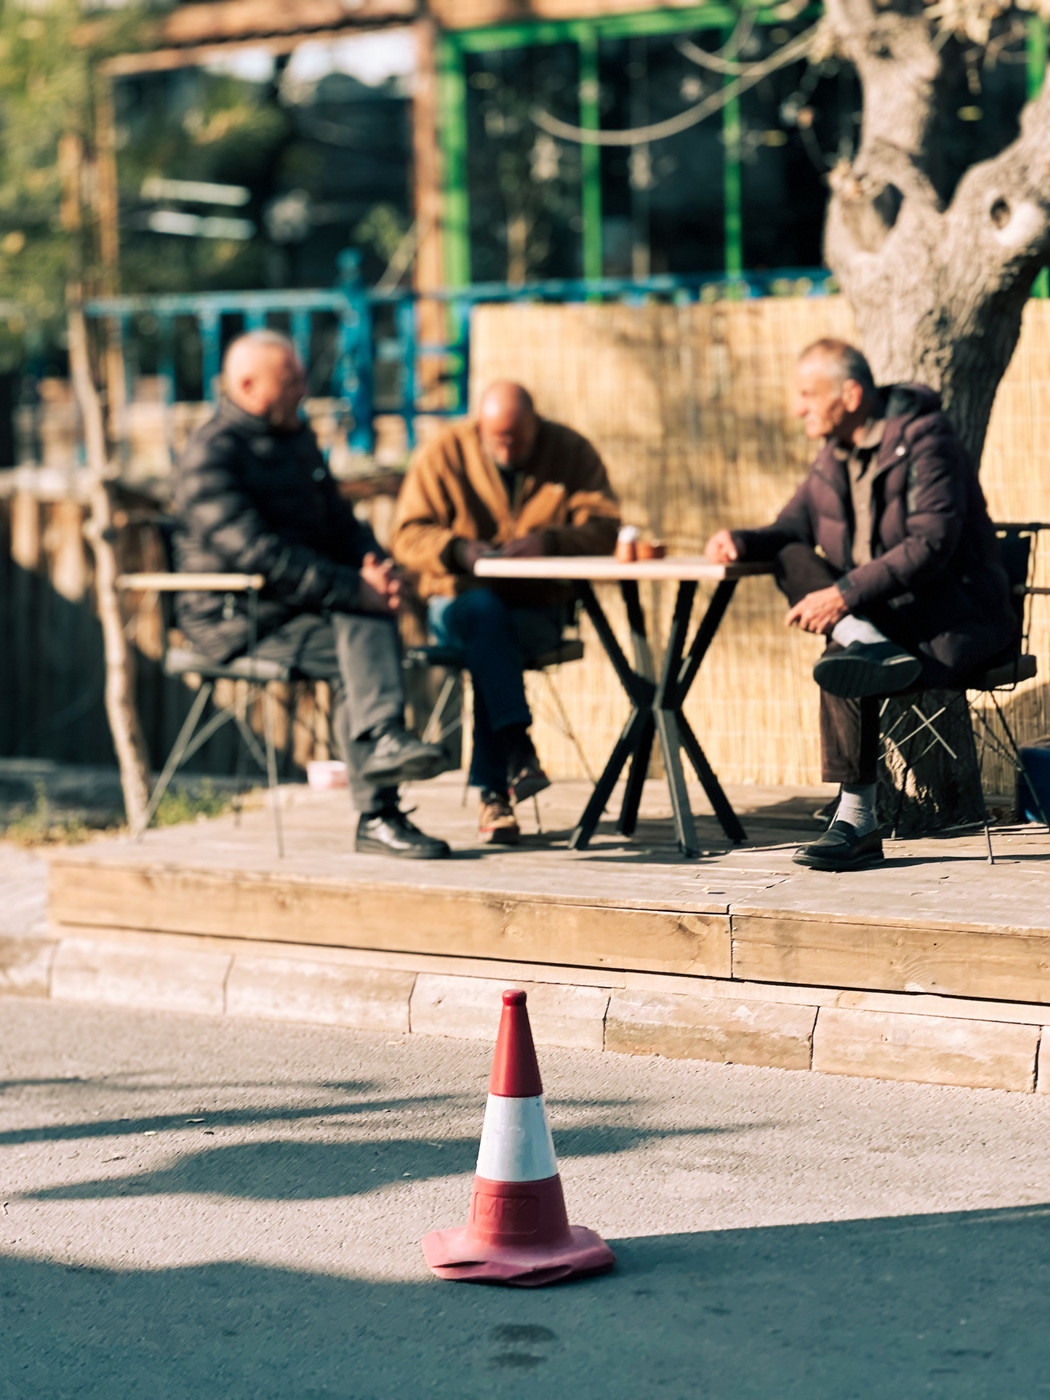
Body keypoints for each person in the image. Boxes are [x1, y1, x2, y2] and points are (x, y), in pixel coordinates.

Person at [704, 338, 1014, 872]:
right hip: (887, 619)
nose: (797, 406)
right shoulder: (833, 456)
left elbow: (933, 542)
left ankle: (856, 821)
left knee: (844, 651)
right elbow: (789, 529)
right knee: (798, 568)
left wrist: (845, 596)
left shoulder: (926, 438)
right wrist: (739, 539)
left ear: (849, 395)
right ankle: (861, 640)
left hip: (953, 621)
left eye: (807, 394)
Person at [173, 329, 451, 860]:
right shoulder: (210, 454)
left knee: (364, 620)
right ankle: (381, 798)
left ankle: (383, 761)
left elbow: (340, 524)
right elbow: (257, 553)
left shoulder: (295, 439)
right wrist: (352, 588)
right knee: (360, 628)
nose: (304, 388)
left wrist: (375, 565)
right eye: (292, 379)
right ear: (249, 385)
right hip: (237, 617)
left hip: (300, 607)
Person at [391, 382, 620, 844]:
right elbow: (407, 535)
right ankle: (518, 750)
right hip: (457, 603)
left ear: (537, 424)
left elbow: (604, 528)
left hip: (537, 608)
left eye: (516, 437)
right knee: (482, 613)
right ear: (479, 427)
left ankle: (497, 792)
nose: (507, 447)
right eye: (496, 438)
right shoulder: (445, 454)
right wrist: (457, 550)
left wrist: (549, 543)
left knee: (492, 643)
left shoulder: (570, 452)